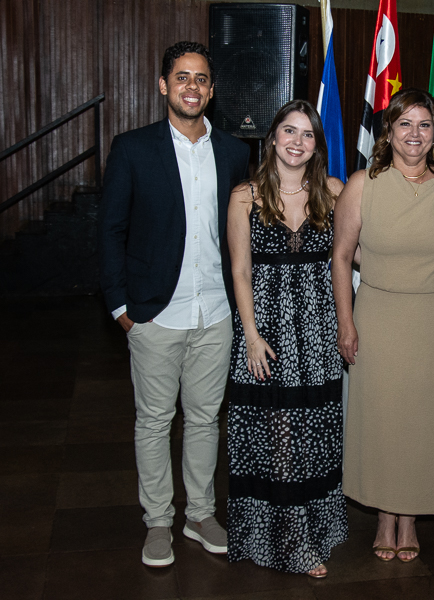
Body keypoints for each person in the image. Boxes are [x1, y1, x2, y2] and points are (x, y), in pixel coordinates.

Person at [98, 41, 250, 567]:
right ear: (164, 85)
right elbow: (110, 231)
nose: (192, 87)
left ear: (212, 89)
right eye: (182, 77)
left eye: (201, 78)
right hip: (154, 313)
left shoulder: (233, 152)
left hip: (216, 313)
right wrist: (120, 309)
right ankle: (159, 521)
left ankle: (200, 514)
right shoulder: (133, 148)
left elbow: (243, 232)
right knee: (154, 421)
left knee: (205, 420)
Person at [333, 88, 434, 563]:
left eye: (424, 124)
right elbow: (341, 256)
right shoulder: (362, 185)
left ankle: (409, 518)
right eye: (404, 123)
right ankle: (384, 516)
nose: (414, 133)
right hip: (378, 317)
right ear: (388, 132)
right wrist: (346, 323)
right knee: (383, 420)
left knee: (423, 422)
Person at [226, 100, 347, 578]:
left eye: (308, 134)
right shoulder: (245, 196)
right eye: (289, 131)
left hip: (318, 332)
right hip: (268, 332)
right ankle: (291, 539)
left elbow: (356, 254)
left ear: (317, 145)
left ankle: (315, 530)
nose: (297, 142)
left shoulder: (334, 191)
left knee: (314, 433)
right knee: (277, 432)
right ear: (273, 137)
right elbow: (240, 271)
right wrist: (251, 336)